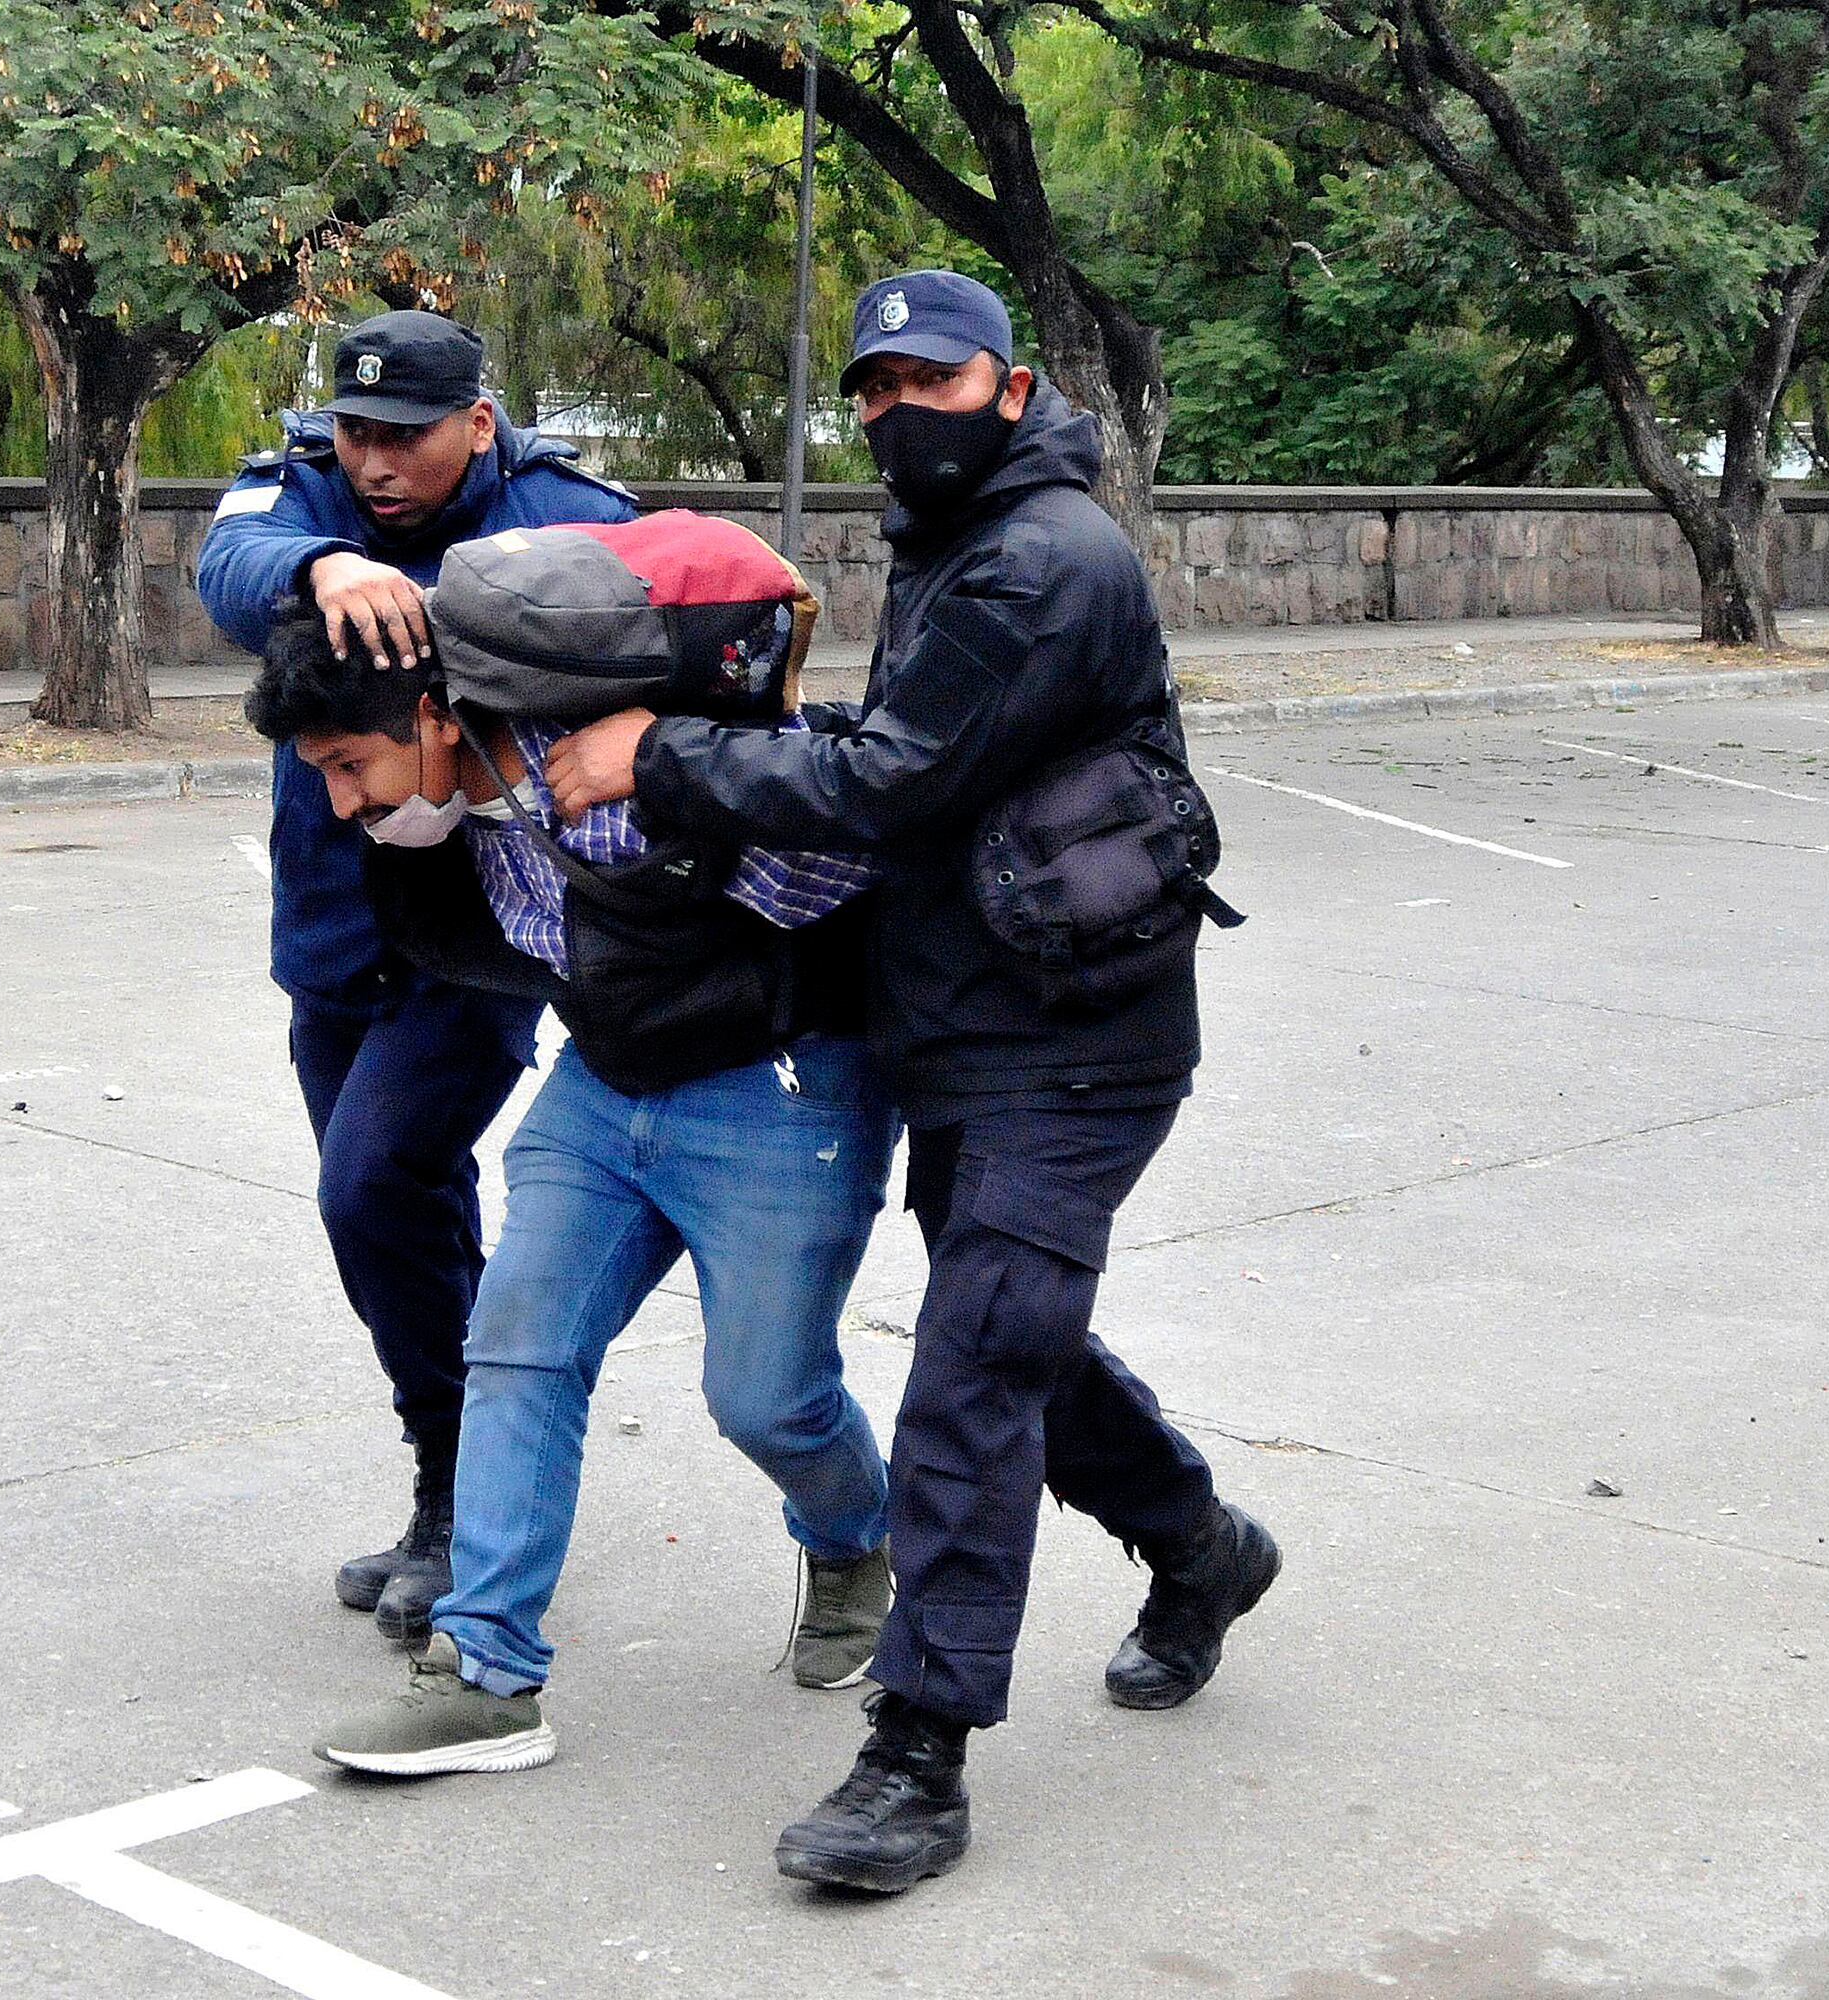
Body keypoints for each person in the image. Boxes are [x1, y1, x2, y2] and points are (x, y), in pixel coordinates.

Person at [543, 270, 1279, 1892]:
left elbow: (885, 782)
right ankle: (1200, 1547)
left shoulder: (1039, 562)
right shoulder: (958, 534)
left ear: (1009, 392)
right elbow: (920, 772)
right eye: (871, 386)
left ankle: (917, 1761)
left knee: (969, 1368)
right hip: (972, 1024)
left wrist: (657, 757)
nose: (891, 409)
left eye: (926, 382)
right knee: (1015, 1341)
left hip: (1076, 1042)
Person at [238, 603, 903, 1777]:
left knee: (767, 1397)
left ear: (436, 720)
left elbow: (854, 843)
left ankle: (855, 1535)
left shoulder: (605, 766)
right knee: (517, 1346)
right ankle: (486, 1672)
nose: (342, 798)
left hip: (779, 1081)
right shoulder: (434, 817)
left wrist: (688, 780)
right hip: (602, 1083)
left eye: (351, 764)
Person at [196, 310, 637, 1645]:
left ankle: (465, 1495)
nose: (377, 460)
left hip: (478, 937)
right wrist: (323, 562)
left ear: (481, 426)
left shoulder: (555, 503)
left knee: (374, 1177)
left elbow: (655, 603)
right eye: (358, 432)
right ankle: (457, 1479)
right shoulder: (305, 490)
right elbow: (226, 563)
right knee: (395, 1208)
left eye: (409, 436)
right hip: (334, 924)